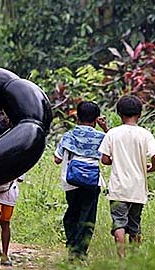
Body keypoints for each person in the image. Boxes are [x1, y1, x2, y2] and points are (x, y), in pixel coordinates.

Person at [98, 95, 155, 258]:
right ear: (140, 113)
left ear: (119, 113)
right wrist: (151, 168)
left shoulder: (112, 133)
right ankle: (135, 258)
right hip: (137, 188)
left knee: (119, 222)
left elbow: (105, 159)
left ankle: (121, 258)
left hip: (118, 187)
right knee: (135, 223)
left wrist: (114, 159)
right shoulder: (145, 134)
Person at [54, 101, 109, 260]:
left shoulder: (69, 135)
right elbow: (109, 156)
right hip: (92, 183)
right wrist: (105, 128)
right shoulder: (102, 137)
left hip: (71, 181)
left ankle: (72, 246)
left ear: (77, 117)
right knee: (87, 218)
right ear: (96, 119)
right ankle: (80, 253)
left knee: (72, 214)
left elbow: (57, 159)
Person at [0, 118, 23, 267]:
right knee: (6, 224)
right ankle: (5, 255)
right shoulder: (16, 150)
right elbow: (20, 178)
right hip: (10, 192)